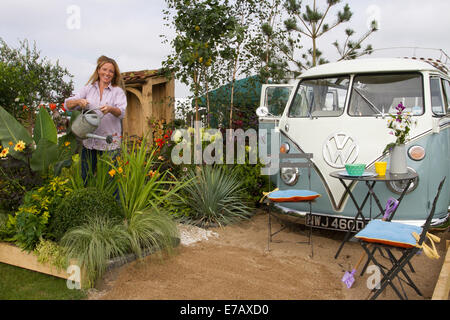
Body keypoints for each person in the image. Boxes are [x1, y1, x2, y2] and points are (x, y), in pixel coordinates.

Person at [65, 55, 127, 183]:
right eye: (104, 69)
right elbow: (67, 105)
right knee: (86, 178)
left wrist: (110, 109)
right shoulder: (87, 89)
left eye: (111, 71)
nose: (107, 73)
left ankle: (113, 203)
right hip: (89, 142)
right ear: (98, 70)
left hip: (109, 142)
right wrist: (78, 101)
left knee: (111, 180)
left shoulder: (117, 92)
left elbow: (122, 113)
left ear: (114, 75)